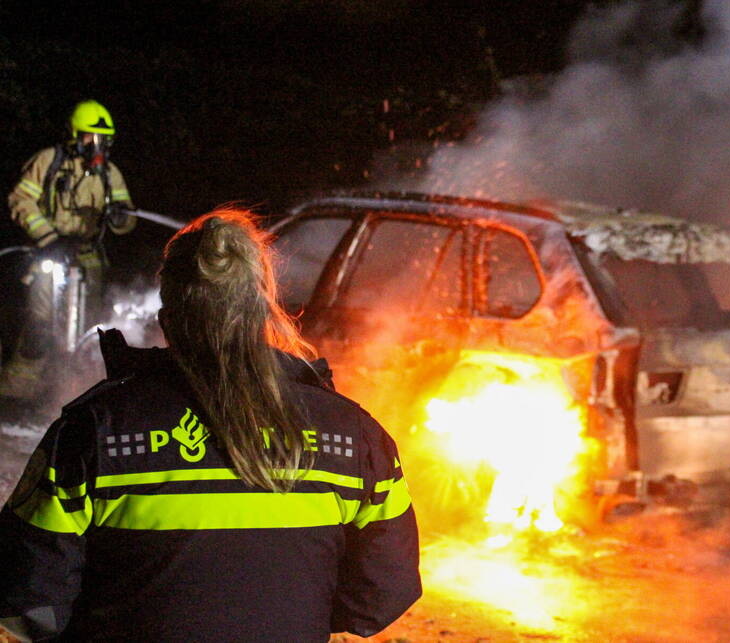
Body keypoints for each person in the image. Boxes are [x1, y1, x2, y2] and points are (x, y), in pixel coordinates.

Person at [0, 208, 421, 641]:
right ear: (265, 310)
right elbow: (384, 592)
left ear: (167, 316)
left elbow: (28, 601)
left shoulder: (95, 431)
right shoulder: (354, 437)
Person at [0, 99, 137, 401]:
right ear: (74, 135)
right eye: (90, 137)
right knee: (40, 321)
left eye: (103, 139)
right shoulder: (48, 161)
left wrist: (121, 216)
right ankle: (19, 391)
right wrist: (48, 238)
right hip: (49, 255)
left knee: (90, 327)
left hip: (88, 258)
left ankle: (75, 390)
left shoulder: (109, 173)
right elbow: (20, 200)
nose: (97, 145)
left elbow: (127, 219)